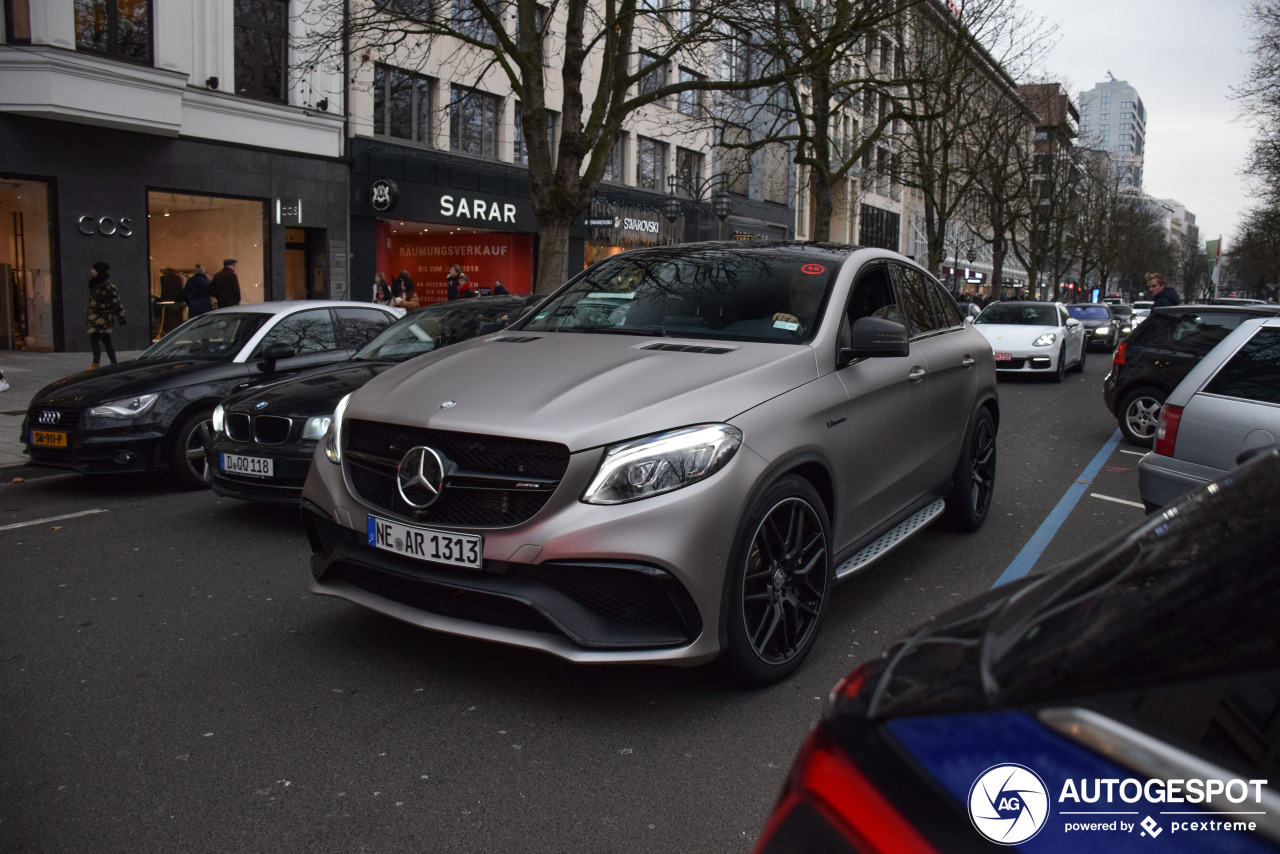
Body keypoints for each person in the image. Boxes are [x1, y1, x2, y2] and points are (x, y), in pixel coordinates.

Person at [85, 260, 126, 369]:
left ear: (99, 271)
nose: (91, 271)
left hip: (103, 318)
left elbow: (117, 303)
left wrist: (121, 319)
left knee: (94, 338)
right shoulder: (95, 284)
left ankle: (96, 363)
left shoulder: (108, 286)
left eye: (93, 269)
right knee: (106, 340)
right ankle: (114, 363)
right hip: (96, 317)